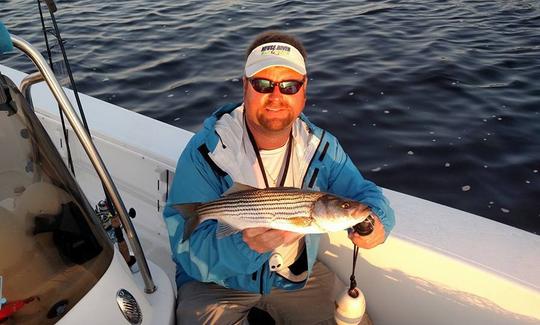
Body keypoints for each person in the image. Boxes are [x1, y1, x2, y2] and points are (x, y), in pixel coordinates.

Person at [163, 31, 395, 324]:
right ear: (244, 86)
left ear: (304, 90)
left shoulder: (321, 148)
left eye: (289, 85)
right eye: (263, 84)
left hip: (293, 278)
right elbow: (188, 252)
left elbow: (364, 196)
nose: (276, 97)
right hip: (218, 282)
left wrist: (377, 222)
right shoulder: (206, 151)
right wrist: (245, 246)